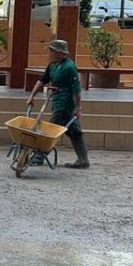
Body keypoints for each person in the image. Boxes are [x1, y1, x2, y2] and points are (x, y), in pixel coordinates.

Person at [27, 39, 90, 169]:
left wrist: (78, 108)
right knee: (75, 132)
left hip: (65, 104)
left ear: (61, 53)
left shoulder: (69, 67)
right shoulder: (53, 65)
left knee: (51, 130)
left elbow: (76, 91)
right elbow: (42, 80)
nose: (50, 54)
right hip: (57, 100)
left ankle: (38, 157)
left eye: (52, 51)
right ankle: (83, 160)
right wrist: (32, 96)